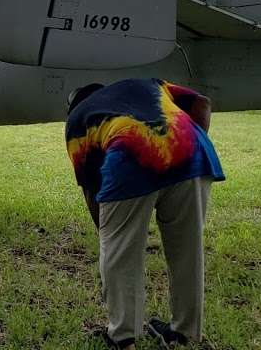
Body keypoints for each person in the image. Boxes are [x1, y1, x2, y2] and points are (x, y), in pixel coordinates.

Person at [65, 78, 224, 349]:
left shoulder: (77, 121)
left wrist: (109, 235)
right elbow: (202, 104)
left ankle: (123, 337)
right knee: (187, 250)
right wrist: (186, 151)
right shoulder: (148, 83)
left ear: (74, 106)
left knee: (121, 255)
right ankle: (184, 333)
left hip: (130, 154)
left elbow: (92, 189)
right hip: (192, 151)